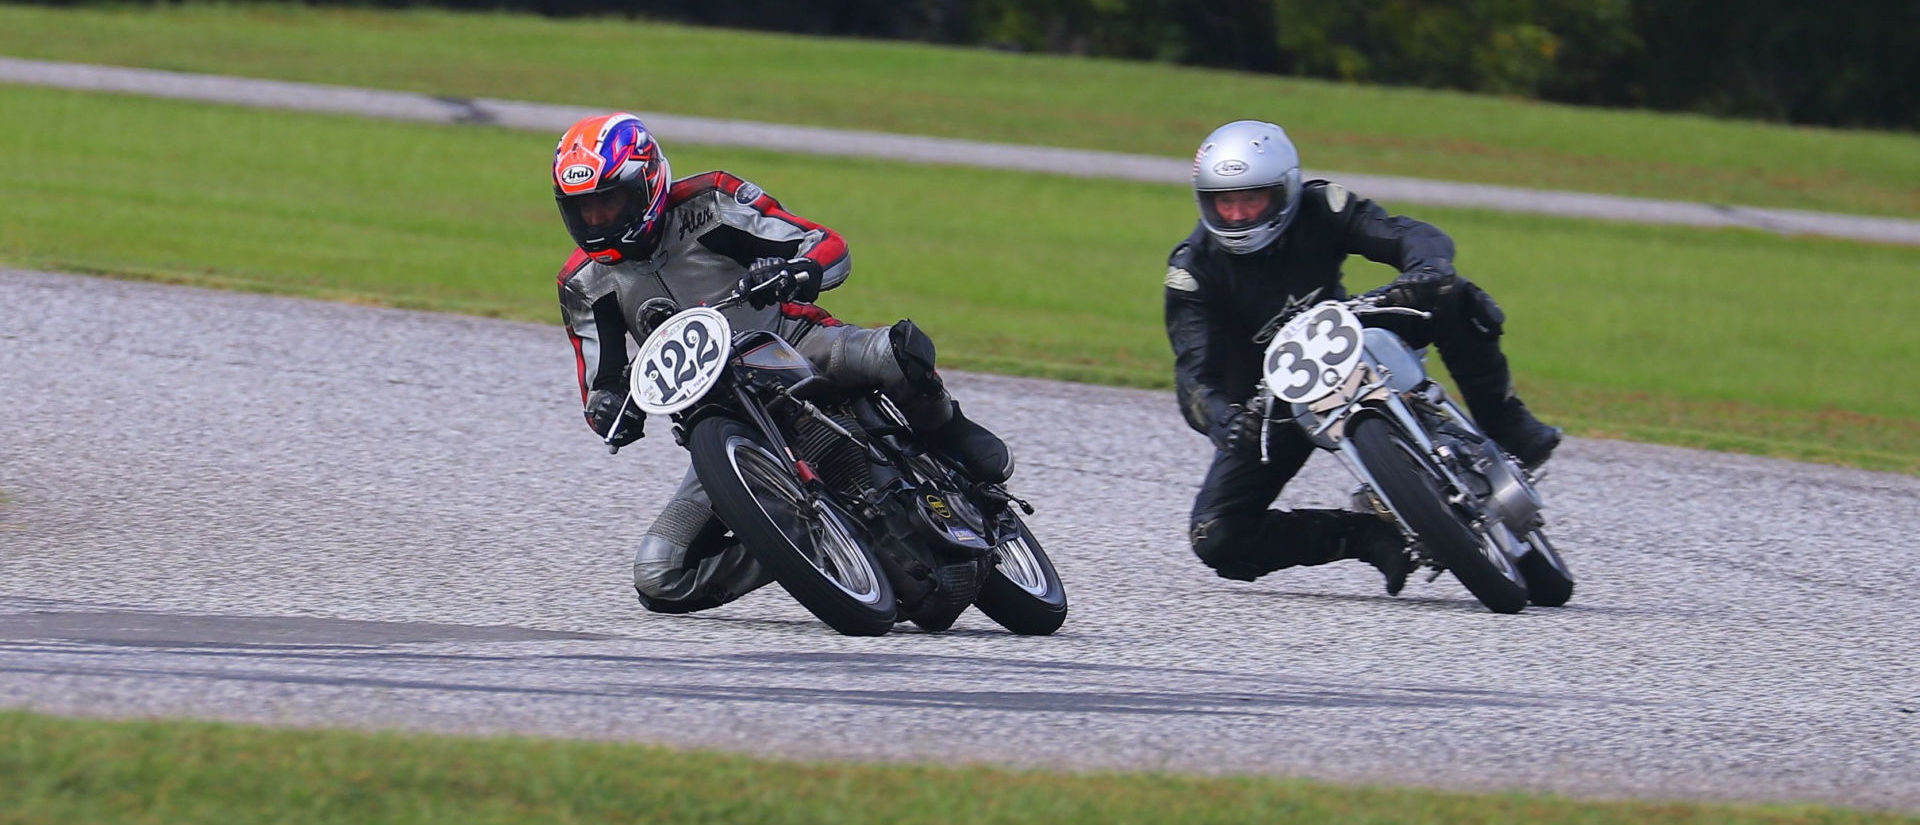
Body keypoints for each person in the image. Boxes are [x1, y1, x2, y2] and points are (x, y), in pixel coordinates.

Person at [551, 112, 1013, 614]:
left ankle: (951, 430)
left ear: (648, 182)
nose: (597, 220)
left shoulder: (713, 203)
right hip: (719, 415)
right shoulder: (583, 282)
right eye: (583, 210)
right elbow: (603, 380)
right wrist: (609, 409)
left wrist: (796, 269)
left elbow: (826, 244)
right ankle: (799, 541)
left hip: (795, 340)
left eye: (609, 202)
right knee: (660, 574)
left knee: (892, 352)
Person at [1164, 119, 1561, 593]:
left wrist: (1426, 268)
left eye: (1252, 199)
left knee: (1452, 293)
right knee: (1216, 535)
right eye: (1223, 201)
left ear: (1285, 190)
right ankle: (1365, 535)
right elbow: (1193, 378)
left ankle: (1504, 421)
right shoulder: (1192, 270)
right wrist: (1226, 421)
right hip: (1271, 403)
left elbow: (1408, 233)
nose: (1237, 215)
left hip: (1352, 330)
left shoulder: (1320, 205)